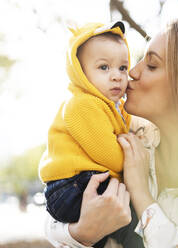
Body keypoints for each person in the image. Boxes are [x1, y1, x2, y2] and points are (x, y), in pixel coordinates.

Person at [44, 19, 178, 248]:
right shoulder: (129, 137)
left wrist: (141, 194)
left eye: (151, 65)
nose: (131, 72)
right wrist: (82, 233)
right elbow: (54, 215)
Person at [39, 21, 145, 248]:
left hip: (81, 183)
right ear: (81, 73)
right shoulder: (82, 105)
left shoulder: (111, 108)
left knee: (124, 221)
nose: (117, 76)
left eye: (123, 68)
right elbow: (109, 154)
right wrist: (133, 161)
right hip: (71, 185)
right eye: (104, 67)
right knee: (131, 222)